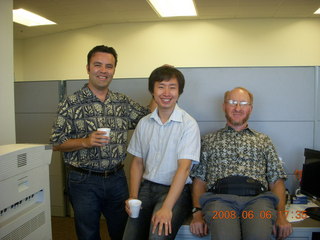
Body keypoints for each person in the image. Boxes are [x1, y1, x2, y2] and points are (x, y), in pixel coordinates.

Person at [50, 45, 155, 240]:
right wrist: (85, 142)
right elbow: (56, 143)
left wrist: (159, 82)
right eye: (98, 65)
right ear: (88, 68)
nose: (103, 70)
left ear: (114, 70)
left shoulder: (121, 102)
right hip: (83, 180)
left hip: (117, 178)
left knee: (124, 231)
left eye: (109, 66)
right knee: (88, 234)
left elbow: (148, 115)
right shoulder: (70, 103)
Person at [190, 87, 293, 240]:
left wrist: (281, 216)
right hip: (219, 200)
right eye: (232, 102)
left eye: (243, 103)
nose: (237, 108)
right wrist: (197, 214)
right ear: (224, 106)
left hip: (258, 201)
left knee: (258, 236)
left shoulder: (263, 141)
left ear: (250, 108)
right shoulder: (209, 140)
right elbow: (199, 181)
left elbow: (276, 180)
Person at [122, 66, 201, 240]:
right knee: (130, 237)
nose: (166, 92)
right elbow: (137, 162)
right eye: (161, 86)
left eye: (172, 87)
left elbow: (184, 169)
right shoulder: (144, 123)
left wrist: (166, 208)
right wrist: (133, 197)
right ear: (152, 91)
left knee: (157, 236)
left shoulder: (188, 124)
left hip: (176, 191)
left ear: (179, 92)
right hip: (147, 188)